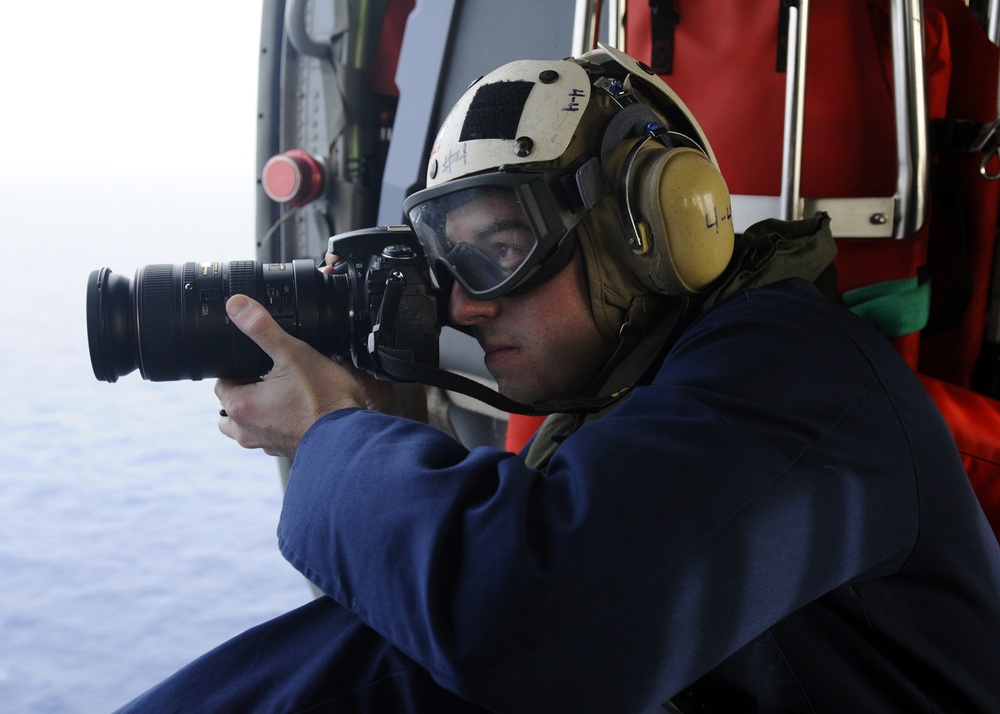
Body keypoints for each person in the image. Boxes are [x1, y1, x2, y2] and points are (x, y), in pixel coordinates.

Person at [116, 45, 1000, 713]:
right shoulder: (650, 397)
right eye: (450, 263)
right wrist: (397, 435)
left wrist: (331, 435)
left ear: (659, 225)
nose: (463, 306)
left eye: (501, 251)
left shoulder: (796, 372)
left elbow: (521, 625)